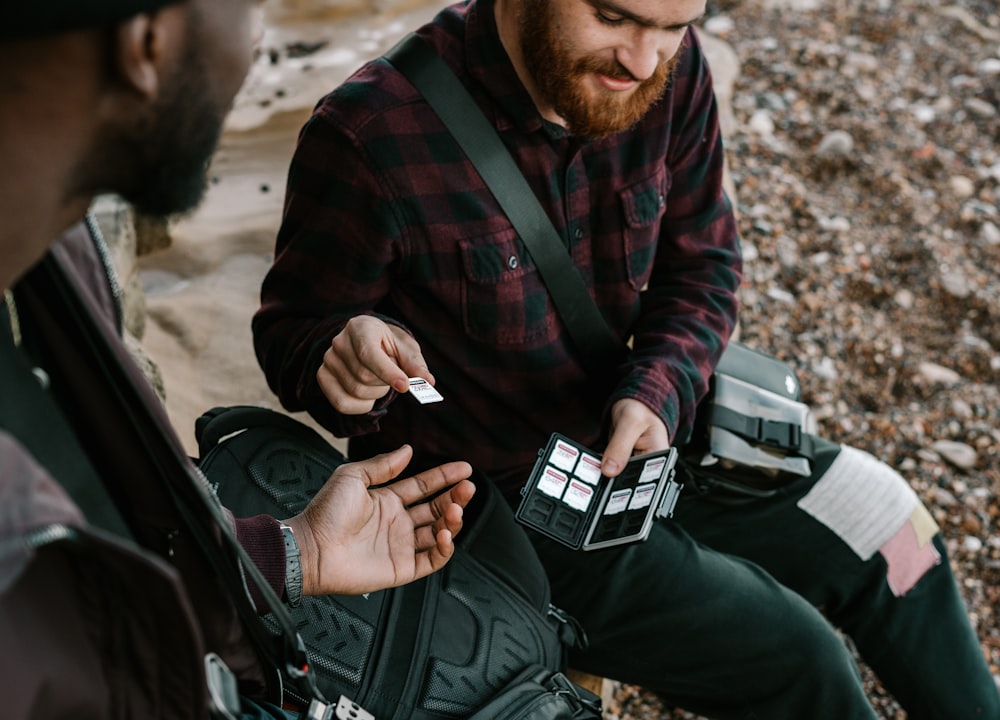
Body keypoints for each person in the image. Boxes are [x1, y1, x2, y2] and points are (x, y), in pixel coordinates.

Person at [252, 0, 1000, 717]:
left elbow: (705, 266)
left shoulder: (673, 72)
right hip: (502, 516)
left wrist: (658, 391)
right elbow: (292, 333)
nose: (641, 61)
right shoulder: (369, 130)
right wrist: (338, 358)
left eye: (674, 26)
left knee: (894, 529)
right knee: (798, 653)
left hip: (658, 438)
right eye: (612, 17)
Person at [0, 2, 477, 718]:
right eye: (248, 4)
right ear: (146, 40)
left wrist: (293, 553)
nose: (259, 35)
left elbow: (111, 557)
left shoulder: (60, 258)